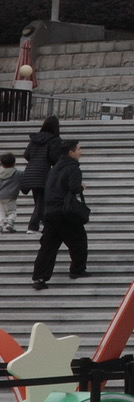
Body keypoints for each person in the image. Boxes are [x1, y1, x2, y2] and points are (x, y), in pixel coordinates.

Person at [30, 139, 88, 289]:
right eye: (78, 149)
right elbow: (74, 187)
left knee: (48, 247)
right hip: (65, 212)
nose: (80, 152)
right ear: (71, 152)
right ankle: (77, 270)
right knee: (79, 240)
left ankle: (39, 278)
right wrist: (81, 187)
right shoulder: (73, 168)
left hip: (50, 212)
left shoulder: (55, 167)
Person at [18, 115, 60, 235]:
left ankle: (45, 225)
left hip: (31, 172)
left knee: (39, 201)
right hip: (43, 173)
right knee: (42, 202)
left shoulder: (34, 139)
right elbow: (54, 157)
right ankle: (33, 226)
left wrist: (35, 161)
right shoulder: (55, 140)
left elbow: (26, 154)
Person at [0, 151, 20, 232]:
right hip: (11, 196)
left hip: (0, 196)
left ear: (1, 164)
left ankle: (1, 225)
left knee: (1, 212)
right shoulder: (18, 173)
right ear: (14, 163)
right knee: (12, 211)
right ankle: (10, 223)